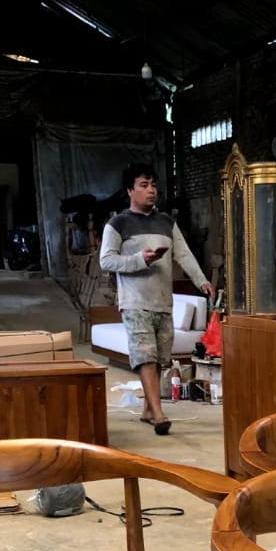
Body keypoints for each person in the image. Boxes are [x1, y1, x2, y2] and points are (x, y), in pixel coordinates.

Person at [98, 163, 214, 435]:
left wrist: (202, 281)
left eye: (153, 185)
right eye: (144, 185)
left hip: (163, 302)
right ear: (130, 191)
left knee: (160, 358)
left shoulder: (166, 223)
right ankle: (159, 414)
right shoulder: (117, 224)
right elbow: (106, 260)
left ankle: (147, 409)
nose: (151, 190)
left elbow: (183, 254)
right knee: (145, 356)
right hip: (135, 301)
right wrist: (141, 259)